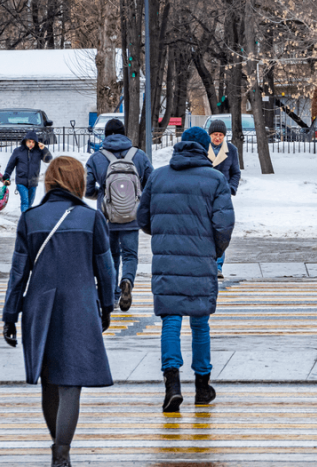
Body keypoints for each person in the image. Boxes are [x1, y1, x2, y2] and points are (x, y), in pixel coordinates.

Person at [2, 156, 115, 467]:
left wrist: (10, 315)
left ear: (49, 180)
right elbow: (105, 269)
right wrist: (107, 305)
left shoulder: (31, 218)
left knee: (49, 380)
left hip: (39, 306)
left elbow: (18, 273)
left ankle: (57, 443)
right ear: (78, 181)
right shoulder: (91, 219)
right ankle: (61, 452)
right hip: (79, 305)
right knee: (71, 383)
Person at [137, 127, 235, 413]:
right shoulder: (215, 179)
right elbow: (224, 225)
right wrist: (213, 251)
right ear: (205, 149)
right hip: (201, 260)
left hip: (167, 261)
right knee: (200, 322)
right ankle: (203, 387)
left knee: (170, 321)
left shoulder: (158, 176)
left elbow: (143, 217)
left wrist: (163, 234)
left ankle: (172, 385)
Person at [85, 118, 153, 310]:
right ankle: (128, 281)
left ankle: (113, 295)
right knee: (130, 255)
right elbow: (151, 183)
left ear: (105, 135)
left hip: (107, 216)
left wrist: (101, 195)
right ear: (124, 134)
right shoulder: (139, 156)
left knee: (111, 255)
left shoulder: (96, 158)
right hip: (132, 216)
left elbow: (86, 187)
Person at [206, 120, 241, 279]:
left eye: (220, 135)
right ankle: (207, 265)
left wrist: (230, 189)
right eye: (215, 135)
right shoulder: (202, 148)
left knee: (221, 231)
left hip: (222, 197)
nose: (218, 138)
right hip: (204, 195)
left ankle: (218, 267)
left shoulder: (231, 150)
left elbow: (236, 173)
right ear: (210, 135)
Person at [3, 130, 53, 212]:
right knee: (25, 202)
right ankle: (25, 220)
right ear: (25, 141)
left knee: (30, 203)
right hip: (21, 181)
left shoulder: (38, 152)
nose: (31, 144)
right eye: (29, 141)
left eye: (33, 142)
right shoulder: (18, 151)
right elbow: (11, 165)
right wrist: (7, 175)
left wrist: (44, 149)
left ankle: (27, 218)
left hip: (33, 182)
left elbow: (49, 159)